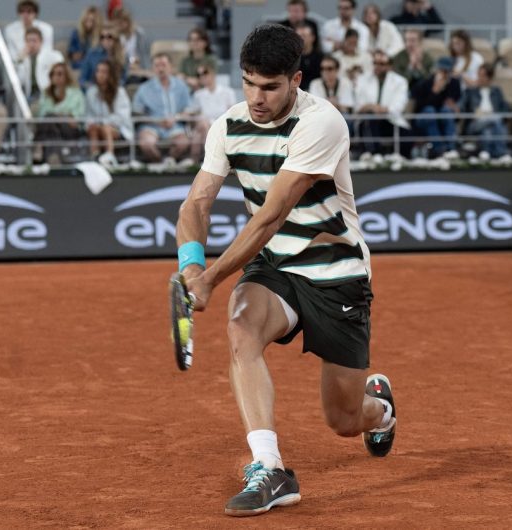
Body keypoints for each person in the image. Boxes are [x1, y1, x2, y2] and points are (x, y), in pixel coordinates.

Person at [174, 23, 396, 517]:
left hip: (334, 271)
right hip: (274, 265)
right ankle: (270, 467)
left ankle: (380, 409)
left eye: (270, 87)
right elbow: (197, 203)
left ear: (296, 80)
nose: (257, 98)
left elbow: (270, 216)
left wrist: (210, 279)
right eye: (249, 83)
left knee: (343, 420)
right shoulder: (229, 125)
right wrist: (191, 264)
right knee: (241, 328)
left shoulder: (321, 123)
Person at [132, 52, 193, 164]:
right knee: (146, 143)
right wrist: (156, 121)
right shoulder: (144, 88)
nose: (160, 69)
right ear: (152, 68)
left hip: (175, 125)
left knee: (183, 142)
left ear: (171, 67)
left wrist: (176, 118)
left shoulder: (181, 86)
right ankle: (160, 164)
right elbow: (137, 112)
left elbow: (189, 109)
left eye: (164, 65)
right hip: (151, 126)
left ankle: (169, 161)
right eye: (157, 65)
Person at [355, 49, 410, 153]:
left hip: (390, 120)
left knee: (406, 135)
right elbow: (359, 105)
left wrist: (380, 109)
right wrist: (373, 108)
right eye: (375, 63)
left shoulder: (400, 81)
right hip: (369, 120)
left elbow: (398, 106)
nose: (377, 66)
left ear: (390, 66)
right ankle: (374, 154)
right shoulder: (363, 79)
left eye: (381, 64)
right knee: (369, 118)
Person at [33, 62, 86, 164]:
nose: (56, 77)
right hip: (51, 128)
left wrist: (58, 116)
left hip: (70, 129)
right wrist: (63, 115)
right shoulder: (46, 93)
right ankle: (54, 156)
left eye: (59, 74)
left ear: (67, 76)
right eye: (53, 74)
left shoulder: (76, 93)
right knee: (51, 125)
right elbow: (41, 115)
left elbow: (76, 119)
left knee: (50, 118)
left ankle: (38, 145)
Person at [84, 59, 133, 168]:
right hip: (97, 128)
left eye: (104, 72)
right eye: (98, 71)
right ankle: (94, 156)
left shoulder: (120, 92)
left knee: (105, 128)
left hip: (119, 130)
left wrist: (103, 122)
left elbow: (121, 117)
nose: (100, 75)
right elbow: (88, 115)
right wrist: (94, 123)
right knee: (92, 128)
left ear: (110, 75)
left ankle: (110, 156)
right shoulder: (91, 92)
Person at [411, 56, 461, 158]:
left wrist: (453, 106)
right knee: (430, 111)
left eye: (446, 71)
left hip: (443, 117)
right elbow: (420, 105)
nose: (444, 74)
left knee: (446, 111)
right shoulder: (425, 82)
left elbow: (453, 103)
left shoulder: (454, 83)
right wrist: (435, 91)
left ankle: (450, 149)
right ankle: (439, 149)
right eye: (441, 70)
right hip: (423, 117)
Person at [458, 63, 509, 159]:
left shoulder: (497, 91)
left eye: (483, 75)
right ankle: (501, 152)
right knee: (496, 120)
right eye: (478, 75)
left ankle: (486, 152)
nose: (479, 78)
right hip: (476, 122)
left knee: (488, 130)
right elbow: (461, 106)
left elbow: (504, 108)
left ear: (489, 78)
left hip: (492, 121)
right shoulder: (470, 91)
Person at [189, 63, 235, 162]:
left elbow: (232, 113)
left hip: (222, 126)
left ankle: (198, 161)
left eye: (205, 73)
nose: (202, 76)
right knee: (202, 126)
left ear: (212, 73)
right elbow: (192, 112)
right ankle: (212, 158)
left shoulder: (228, 92)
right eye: (199, 75)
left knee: (199, 134)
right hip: (205, 125)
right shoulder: (198, 95)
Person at [15, 27, 64, 104]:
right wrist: (20, 60)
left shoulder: (52, 55)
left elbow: (61, 68)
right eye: (28, 41)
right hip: (29, 95)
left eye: (34, 41)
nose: (31, 44)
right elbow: (20, 81)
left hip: (46, 94)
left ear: (41, 42)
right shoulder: (23, 59)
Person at [78, 24, 127, 91]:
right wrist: (95, 88)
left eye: (109, 37)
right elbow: (82, 80)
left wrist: (111, 88)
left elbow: (123, 80)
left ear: (116, 39)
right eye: (102, 37)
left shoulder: (122, 57)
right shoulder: (92, 54)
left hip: (114, 91)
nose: (105, 40)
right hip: (93, 90)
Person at [110, 7, 151, 84]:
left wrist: (139, 65)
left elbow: (145, 56)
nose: (120, 24)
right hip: (122, 70)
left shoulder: (139, 35)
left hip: (139, 68)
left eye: (122, 21)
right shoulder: (114, 37)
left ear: (128, 21)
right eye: (117, 22)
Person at [178, 28, 218, 92]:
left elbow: (209, 79)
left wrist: (195, 81)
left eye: (197, 40)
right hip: (188, 92)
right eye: (190, 40)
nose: (193, 43)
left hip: (206, 92)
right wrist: (189, 80)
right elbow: (180, 77)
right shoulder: (185, 60)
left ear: (205, 42)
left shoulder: (211, 60)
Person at [68, 6, 102, 71]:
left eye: (92, 20)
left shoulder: (101, 35)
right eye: (87, 19)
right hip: (79, 66)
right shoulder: (76, 33)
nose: (89, 23)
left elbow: (100, 57)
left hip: (96, 68)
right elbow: (75, 57)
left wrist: (84, 55)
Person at [295, 22, 322, 91]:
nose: (301, 39)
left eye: (304, 36)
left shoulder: (322, 58)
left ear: (313, 37)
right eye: (298, 36)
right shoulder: (291, 59)